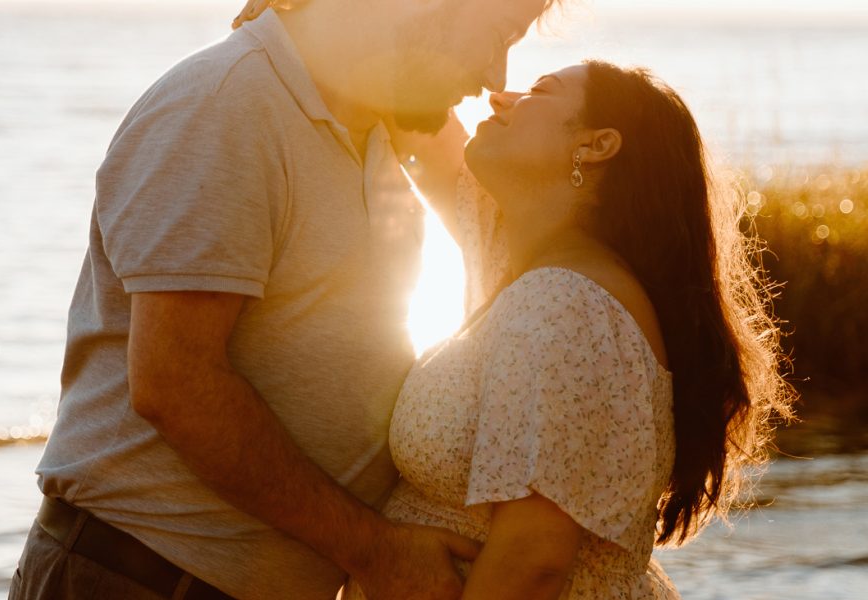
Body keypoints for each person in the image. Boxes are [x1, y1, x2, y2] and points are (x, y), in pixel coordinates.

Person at [9, 1, 556, 599]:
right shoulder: (227, 104)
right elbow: (176, 384)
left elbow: (511, 230)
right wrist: (377, 552)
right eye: (500, 35)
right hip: (142, 579)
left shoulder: (376, 121)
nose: (496, 78)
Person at [341, 61, 795, 599]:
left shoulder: (567, 303)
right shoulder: (525, 263)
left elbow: (530, 564)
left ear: (596, 144)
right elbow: (418, 117)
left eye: (538, 91)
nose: (499, 96)